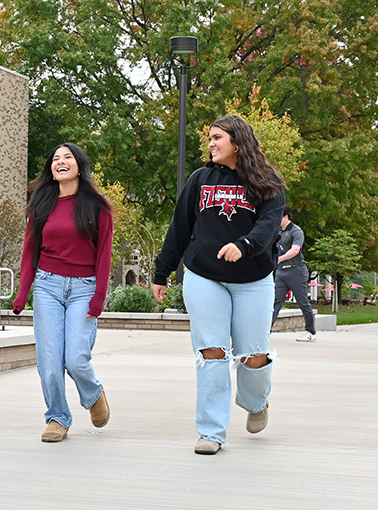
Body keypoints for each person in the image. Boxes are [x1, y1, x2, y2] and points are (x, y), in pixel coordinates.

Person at [151, 114, 287, 455]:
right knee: (211, 351)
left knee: (252, 356)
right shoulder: (200, 180)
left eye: (217, 138)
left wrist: (244, 246)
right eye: (209, 138)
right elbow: (179, 229)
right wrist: (161, 272)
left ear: (237, 142)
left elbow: (270, 226)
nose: (211, 144)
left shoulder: (267, 182)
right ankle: (211, 431)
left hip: (253, 279)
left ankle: (256, 403)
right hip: (204, 276)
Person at [11, 142, 114, 444]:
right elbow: (30, 250)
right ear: (51, 169)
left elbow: (105, 253)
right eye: (55, 158)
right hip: (47, 286)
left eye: (67, 157)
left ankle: (93, 394)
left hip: (84, 288)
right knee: (50, 361)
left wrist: (99, 297)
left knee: (76, 359)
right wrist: (22, 292)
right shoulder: (41, 204)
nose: (60, 162)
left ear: (79, 165)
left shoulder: (97, 206)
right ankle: (57, 417)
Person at [270, 211, 317, 342]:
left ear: (286, 216)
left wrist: (279, 259)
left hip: (296, 271)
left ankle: (310, 331)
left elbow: (295, 250)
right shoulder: (277, 232)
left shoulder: (296, 231)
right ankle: (266, 331)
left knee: (303, 303)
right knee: (274, 302)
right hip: (281, 272)